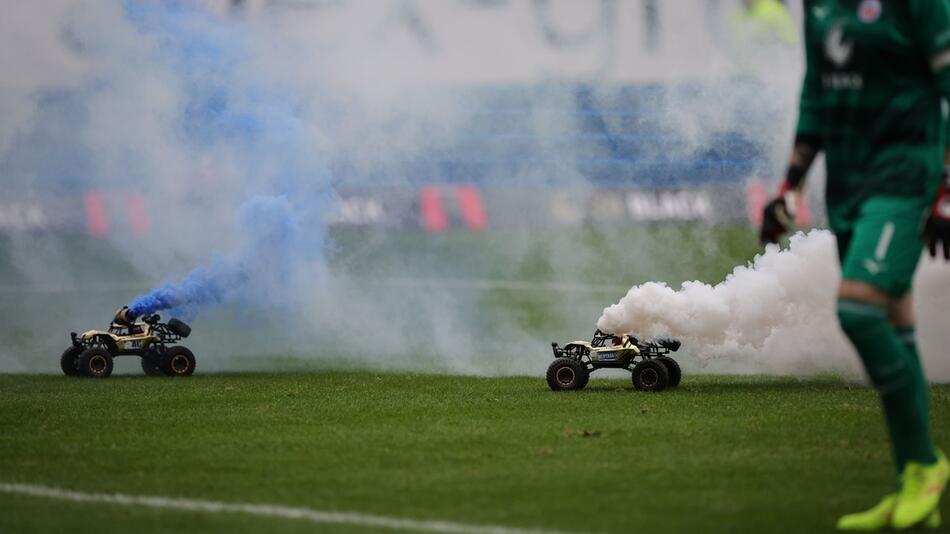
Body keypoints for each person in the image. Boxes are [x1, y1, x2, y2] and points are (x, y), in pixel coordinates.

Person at [760, 0, 950, 530]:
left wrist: (948, 190)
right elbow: (816, 97)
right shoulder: (819, 7)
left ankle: (929, 463)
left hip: (906, 173)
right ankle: (912, 478)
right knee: (892, 315)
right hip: (846, 183)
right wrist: (789, 187)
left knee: (860, 310)